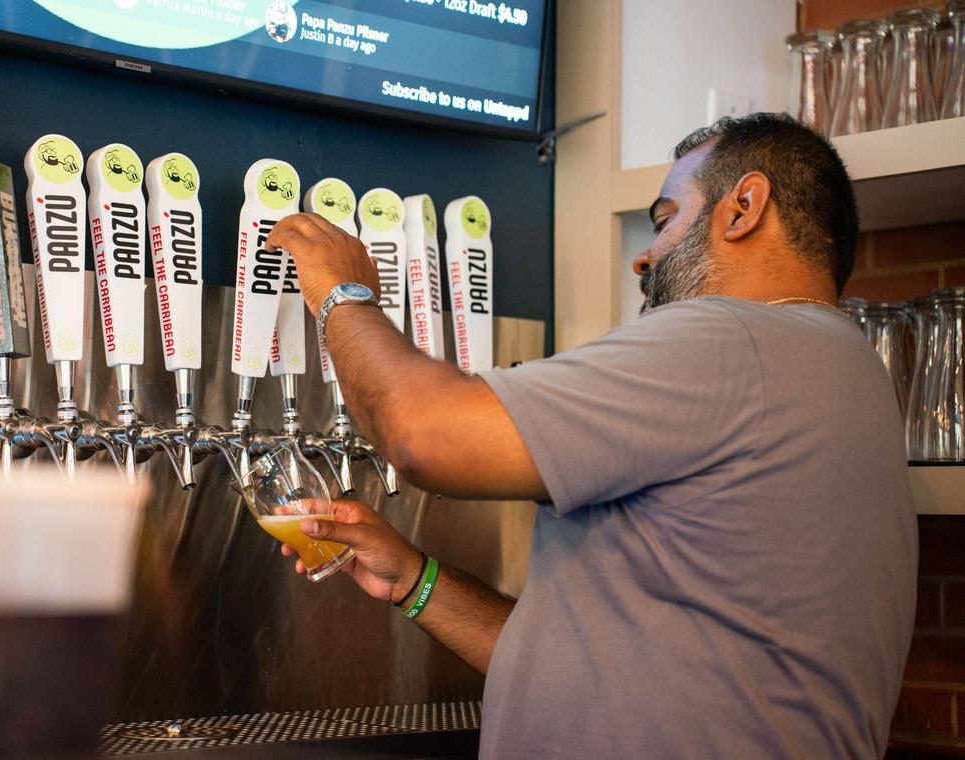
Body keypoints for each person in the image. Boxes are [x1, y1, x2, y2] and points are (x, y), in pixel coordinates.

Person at [264, 113, 917, 759]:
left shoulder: (733, 339)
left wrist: (341, 292)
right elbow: (583, 669)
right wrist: (412, 578)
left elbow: (421, 434)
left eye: (665, 220)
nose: (644, 256)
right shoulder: (846, 371)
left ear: (743, 207)